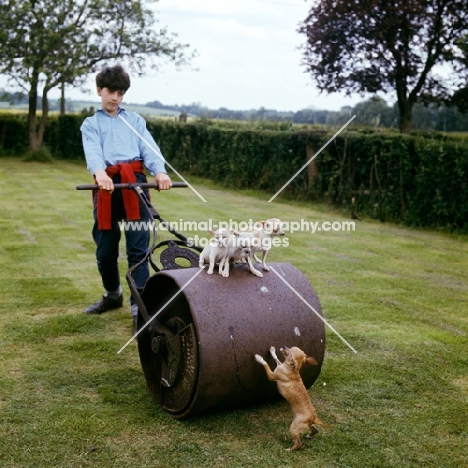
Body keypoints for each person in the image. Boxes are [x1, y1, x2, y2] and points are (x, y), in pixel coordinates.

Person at [80, 64, 172, 328]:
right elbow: (93, 152)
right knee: (105, 251)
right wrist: (100, 174)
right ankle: (112, 295)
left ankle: (139, 308)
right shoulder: (90, 124)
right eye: (111, 91)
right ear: (99, 90)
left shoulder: (135, 121)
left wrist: (160, 173)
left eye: (121, 93)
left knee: (138, 250)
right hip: (106, 186)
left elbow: (150, 150)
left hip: (135, 186)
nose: (115, 98)